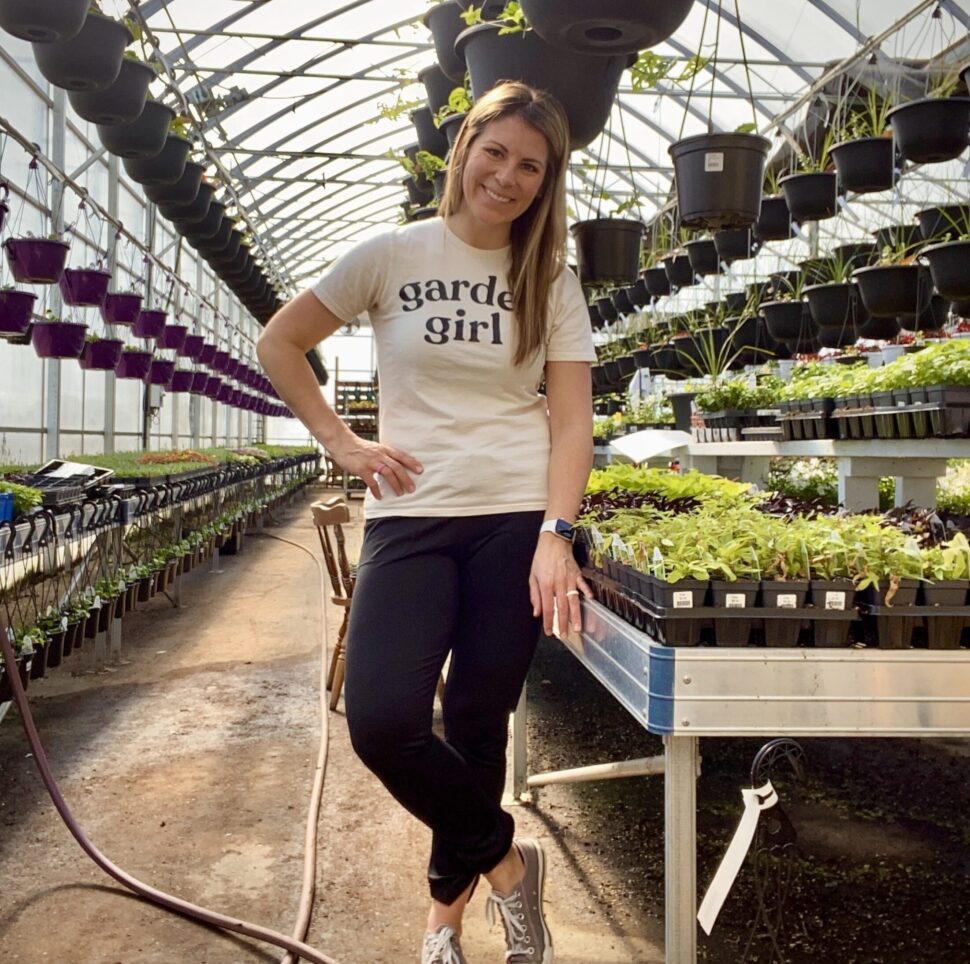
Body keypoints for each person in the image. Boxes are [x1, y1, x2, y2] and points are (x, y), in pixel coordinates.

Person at [257, 80, 596, 964]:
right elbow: (278, 342)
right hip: (410, 517)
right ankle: (509, 869)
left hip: (514, 519)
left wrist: (557, 536)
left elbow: (570, 421)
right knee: (384, 723)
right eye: (497, 152)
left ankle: (442, 927)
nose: (509, 176)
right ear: (465, 150)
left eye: (532, 165)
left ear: (546, 180)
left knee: (480, 725)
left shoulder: (551, 278)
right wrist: (342, 441)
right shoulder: (390, 253)